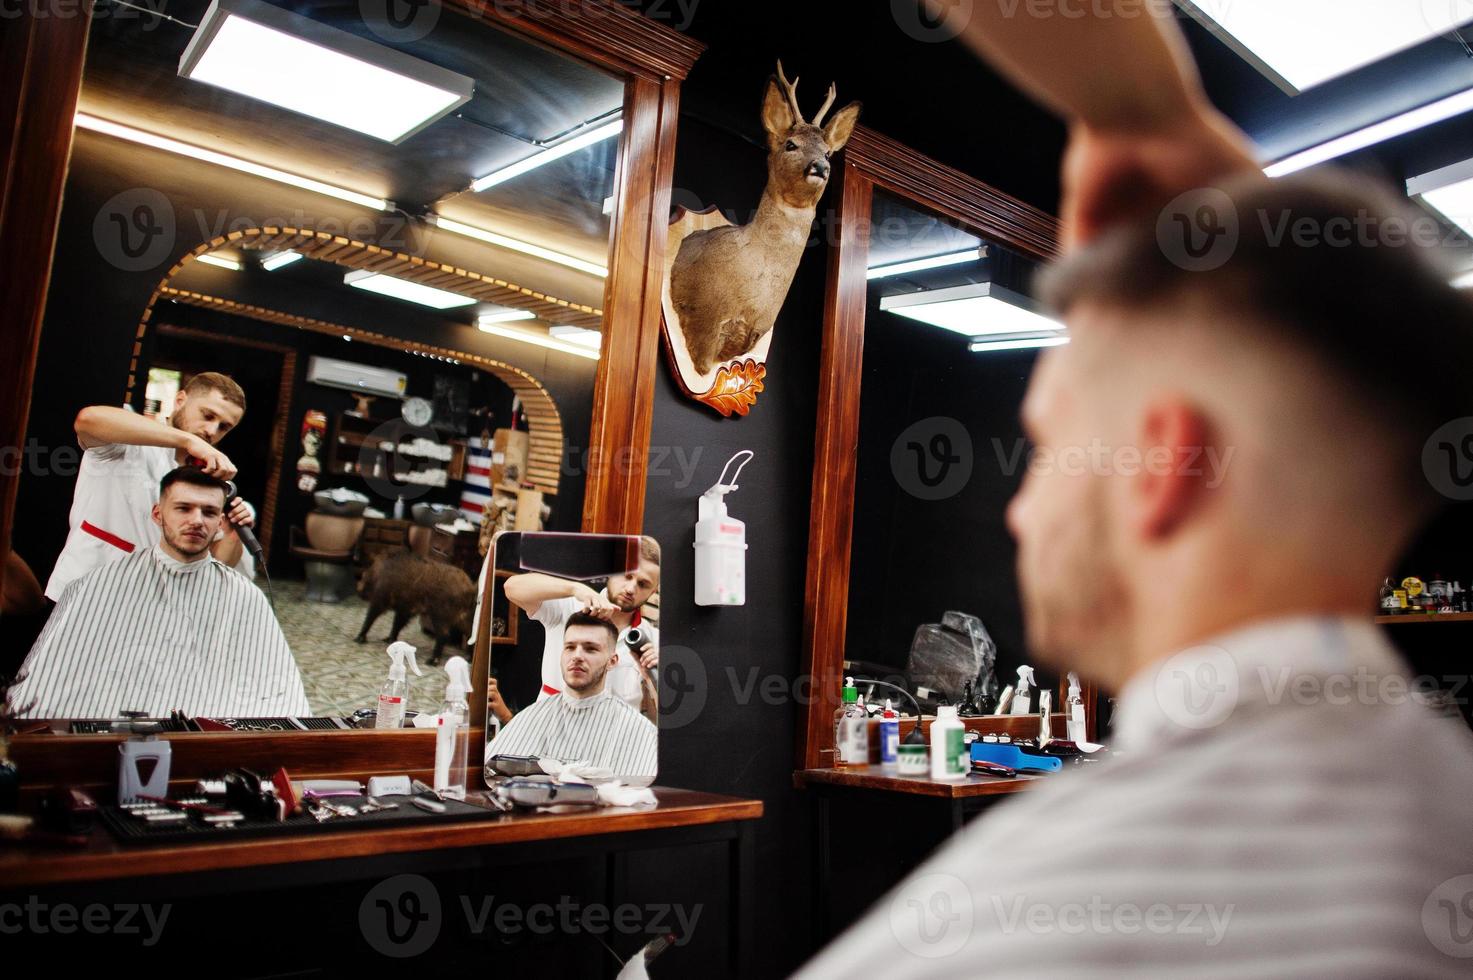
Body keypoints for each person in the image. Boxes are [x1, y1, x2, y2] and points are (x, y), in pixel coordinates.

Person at [796, 5, 1473, 977]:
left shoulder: (1001, 936)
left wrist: (1146, 101)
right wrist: (1145, 105)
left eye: (1046, 448)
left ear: (1163, 466)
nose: (1020, 511)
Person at [9, 467, 308, 719]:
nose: (196, 520)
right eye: (183, 508)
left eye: (209, 512)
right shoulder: (98, 584)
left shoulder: (245, 596)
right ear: (157, 514)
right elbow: (46, 687)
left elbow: (278, 694)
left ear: (219, 522)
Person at [45, 371, 256, 601]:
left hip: (150, 603)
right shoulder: (129, 439)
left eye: (224, 427)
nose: (211, 431)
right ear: (180, 400)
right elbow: (88, 419)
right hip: (86, 590)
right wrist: (188, 440)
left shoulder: (208, 476)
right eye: (207, 415)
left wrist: (232, 532)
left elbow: (218, 562)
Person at [484, 612, 657, 784]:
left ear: (612, 661)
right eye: (570, 647)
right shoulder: (535, 714)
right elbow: (488, 776)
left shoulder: (634, 727)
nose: (577, 656)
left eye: (590, 649)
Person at [502, 538, 661, 723]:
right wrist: (574, 588)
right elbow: (512, 587)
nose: (631, 588)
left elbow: (658, 719)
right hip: (551, 731)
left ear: (652, 592)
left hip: (615, 742)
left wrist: (652, 681)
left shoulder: (653, 641)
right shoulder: (568, 606)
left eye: (643, 584)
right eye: (626, 575)